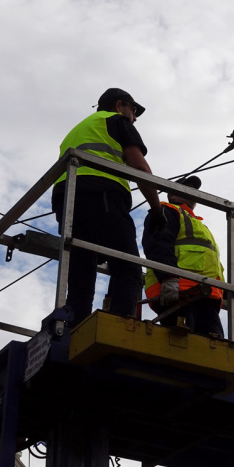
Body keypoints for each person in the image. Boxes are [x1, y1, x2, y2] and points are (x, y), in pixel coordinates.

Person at [52, 88, 166, 327]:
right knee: (129, 268)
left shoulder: (76, 130)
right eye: (133, 111)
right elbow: (140, 168)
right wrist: (156, 209)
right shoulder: (116, 121)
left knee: (81, 273)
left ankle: (75, 331)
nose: (134, 118)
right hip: (101, 193)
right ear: (119, 105)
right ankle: (119, 329)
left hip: (67, 200)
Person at [142, 176, 226, 337]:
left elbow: (211, 264)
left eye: (194, 189)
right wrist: (168, 278)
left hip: (203, 294)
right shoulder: (167, 210)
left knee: (213, 347)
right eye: (187, 187)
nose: (192, 191)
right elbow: (158, 244)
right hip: (177, 292)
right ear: (173, 195)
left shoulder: (198, 223)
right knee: (183, 344)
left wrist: (228, 293)